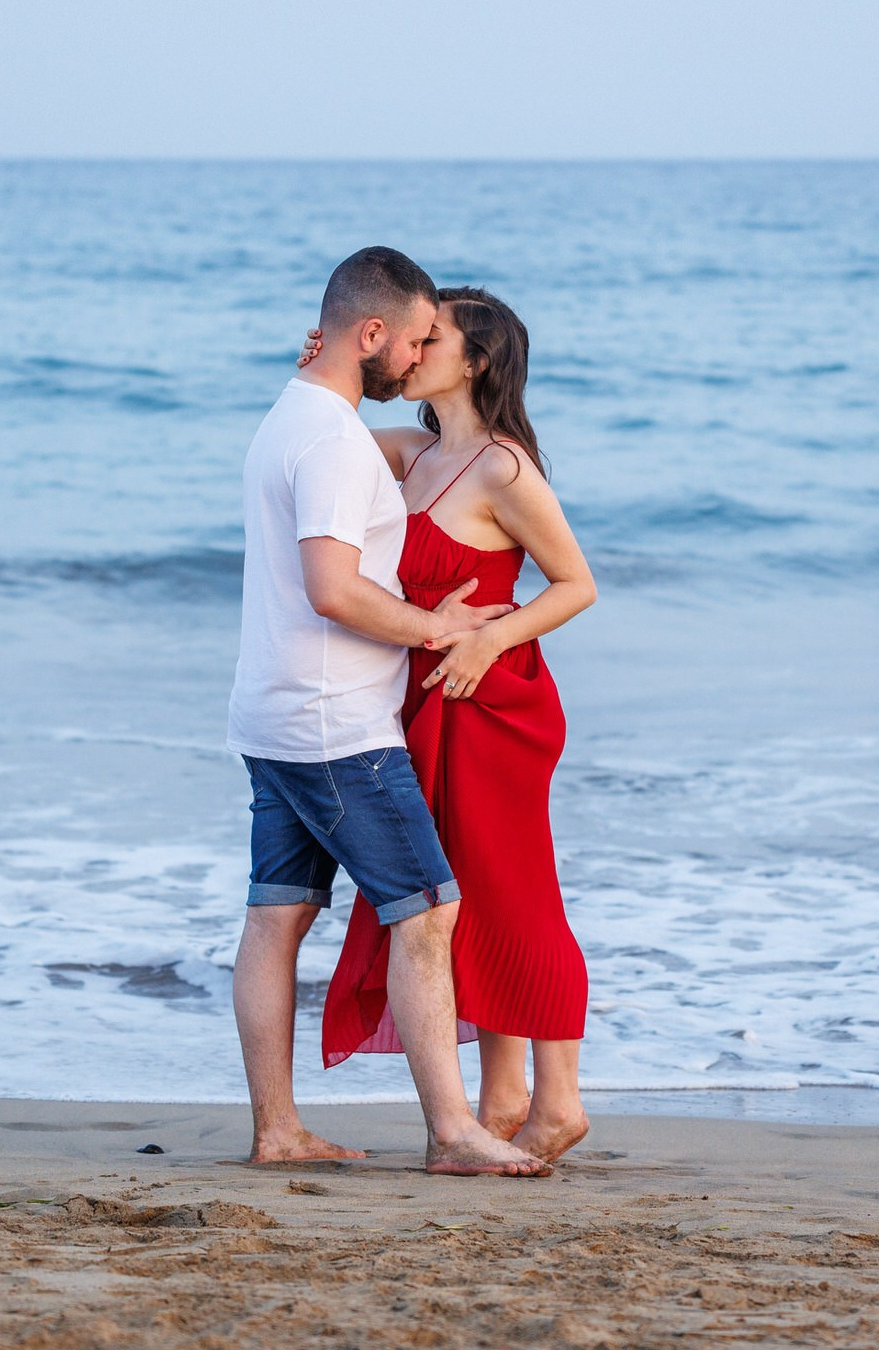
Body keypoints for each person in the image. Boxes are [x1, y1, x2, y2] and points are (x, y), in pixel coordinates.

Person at [227, 247, 548, 1177]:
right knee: (430, 910)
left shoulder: (295, 414)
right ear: (369, 336)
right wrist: (434, 628)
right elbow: (334, 588)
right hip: (336, 726)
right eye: (409, 342)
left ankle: (278, 1131)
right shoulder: (331, 443)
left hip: (272, 715)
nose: (414, 362)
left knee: (276, 916)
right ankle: (453, 1131)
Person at [301, 287, 598, 1163]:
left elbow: (576, 583)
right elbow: (327, 436)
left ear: (473, 363)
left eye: (434, 338)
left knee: (520, 894)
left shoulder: (506, 469)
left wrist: (491, 639)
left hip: (495, 702)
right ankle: (505, 1095)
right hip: (431, 702)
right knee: (465, 901)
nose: (417, 347)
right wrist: (325, 360)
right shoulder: (414, 453)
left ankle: (561, 1102)